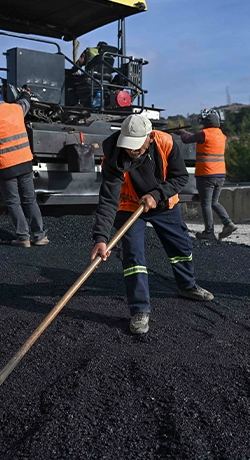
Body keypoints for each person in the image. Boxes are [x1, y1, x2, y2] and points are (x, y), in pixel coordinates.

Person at [90, 114, 214, 334]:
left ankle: (187, 285)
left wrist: (156, 194)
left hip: (164, 204)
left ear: (149, 137)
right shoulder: (113, 156)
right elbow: (108, 199)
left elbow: (180, 178)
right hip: (130, 207)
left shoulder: (166, 143)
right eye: (128, 146)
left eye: (136, 147)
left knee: (181, 247)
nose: (131, 151)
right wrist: (101, 238)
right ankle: (139, 310)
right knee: (133, 255)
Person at [0, 88, 48, 247]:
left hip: (5, 166)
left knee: (13, 202)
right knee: (30, 199)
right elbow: (25, 102)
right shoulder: (16, 109)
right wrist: (26, 93)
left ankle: (23, 238)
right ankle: (39, 236)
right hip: (24, 162)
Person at [179, 109, 237, 241]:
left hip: (206, 173)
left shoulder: (204, 133)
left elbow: (187, 139)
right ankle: (228, 223)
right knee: (214, 202)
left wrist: (181, 132)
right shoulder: (221, 135)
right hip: (220, 174)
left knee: (205, 203)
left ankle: (209, 232)